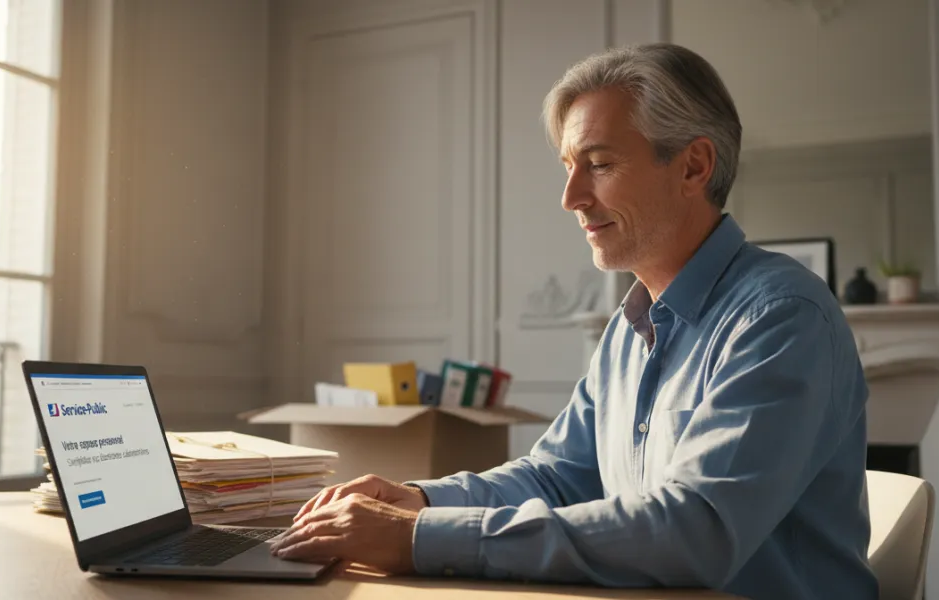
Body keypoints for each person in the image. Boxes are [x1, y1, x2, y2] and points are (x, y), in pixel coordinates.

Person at [269, 43, 878, 599]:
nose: (571, 197)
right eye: (568, 165)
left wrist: (418, 537)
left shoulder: (780, 319)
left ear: (693, 167)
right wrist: (419, 499)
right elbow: (559, 476)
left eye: (599, 164)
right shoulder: (628, 328)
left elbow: (696, 531)